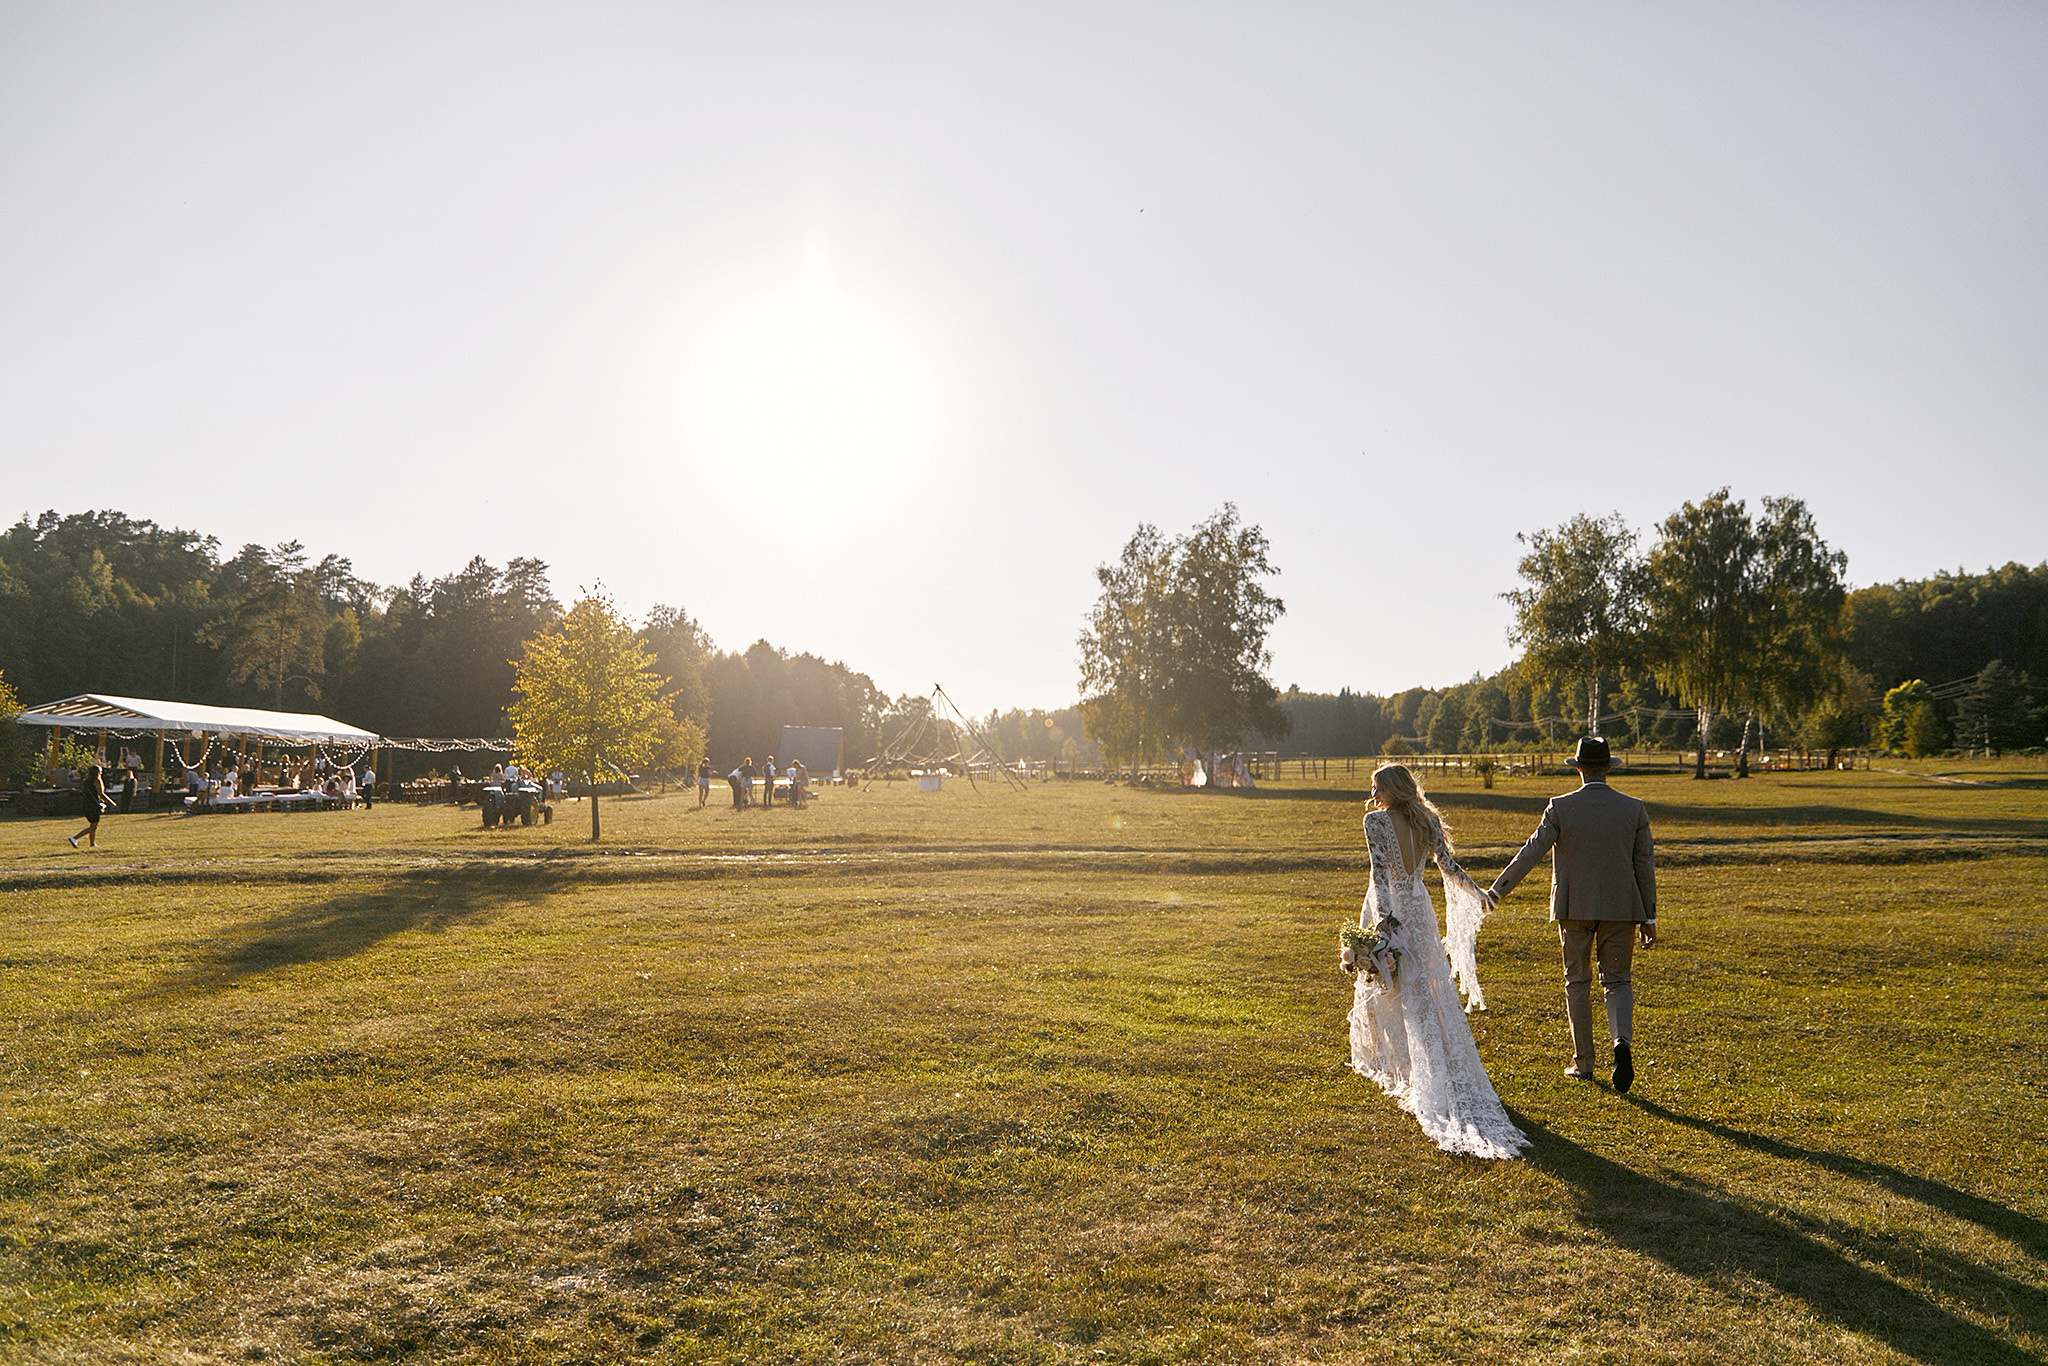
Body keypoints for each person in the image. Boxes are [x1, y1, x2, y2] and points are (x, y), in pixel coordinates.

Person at [1345, 763, 1527, 1159]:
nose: (1373, 795)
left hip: (1390, 908)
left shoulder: (1375, 823)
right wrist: (1478, 893)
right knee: (1426, 989)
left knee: (1395, 987)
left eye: (1377, 787)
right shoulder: (1427, 819)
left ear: (1394, 788)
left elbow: (1379, 875)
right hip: (1420, 911)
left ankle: (1412, 1068)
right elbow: (1450, 868)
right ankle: (1425, 1063)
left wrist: (1382, 925)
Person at [1485, 735, 1657, 1093]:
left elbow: (1531, 852)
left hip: (1573, 907)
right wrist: (1649, 917)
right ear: (1609, 768)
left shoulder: (1560, 807)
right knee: (1618, 981)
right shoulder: (1634, 808)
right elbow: (1644, 864)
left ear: (1578, 768)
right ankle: (1621, 1043)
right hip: (1622, 907)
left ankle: (1584, 1062)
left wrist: (1497, 891)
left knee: (1577, 982)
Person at [67, 765, 111, 850]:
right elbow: (101, 794)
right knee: (93, 826)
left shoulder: (86, 781)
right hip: (93, 804)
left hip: (86, 803)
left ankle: (92, 843)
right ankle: (75, 838)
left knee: (93, 824)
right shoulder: (97, 781)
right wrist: (111, 802)